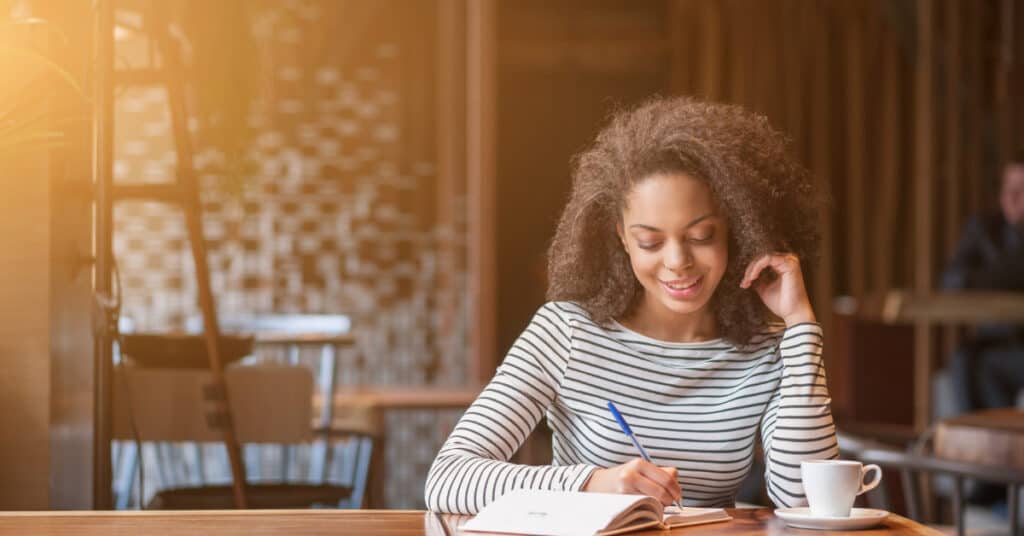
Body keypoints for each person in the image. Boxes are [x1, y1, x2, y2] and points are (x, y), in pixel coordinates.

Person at [424, 97, 838, 514]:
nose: (677, 261)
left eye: (701, 235)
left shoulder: (766, 351)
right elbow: (448, 478)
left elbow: (807, 502)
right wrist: (592, 483)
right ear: (622, 238)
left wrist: (800, 324)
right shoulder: (567, 332)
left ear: (737, 226)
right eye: (650, 242)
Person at [943, 154, 1024, 414]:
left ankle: (993, 447)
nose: (1012, 198)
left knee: (985, 369)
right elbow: (952, 281)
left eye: (1021, 191)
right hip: (991, 341)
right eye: (1008, 189)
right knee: (963, 360)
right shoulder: (985, 227)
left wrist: (985, 277)